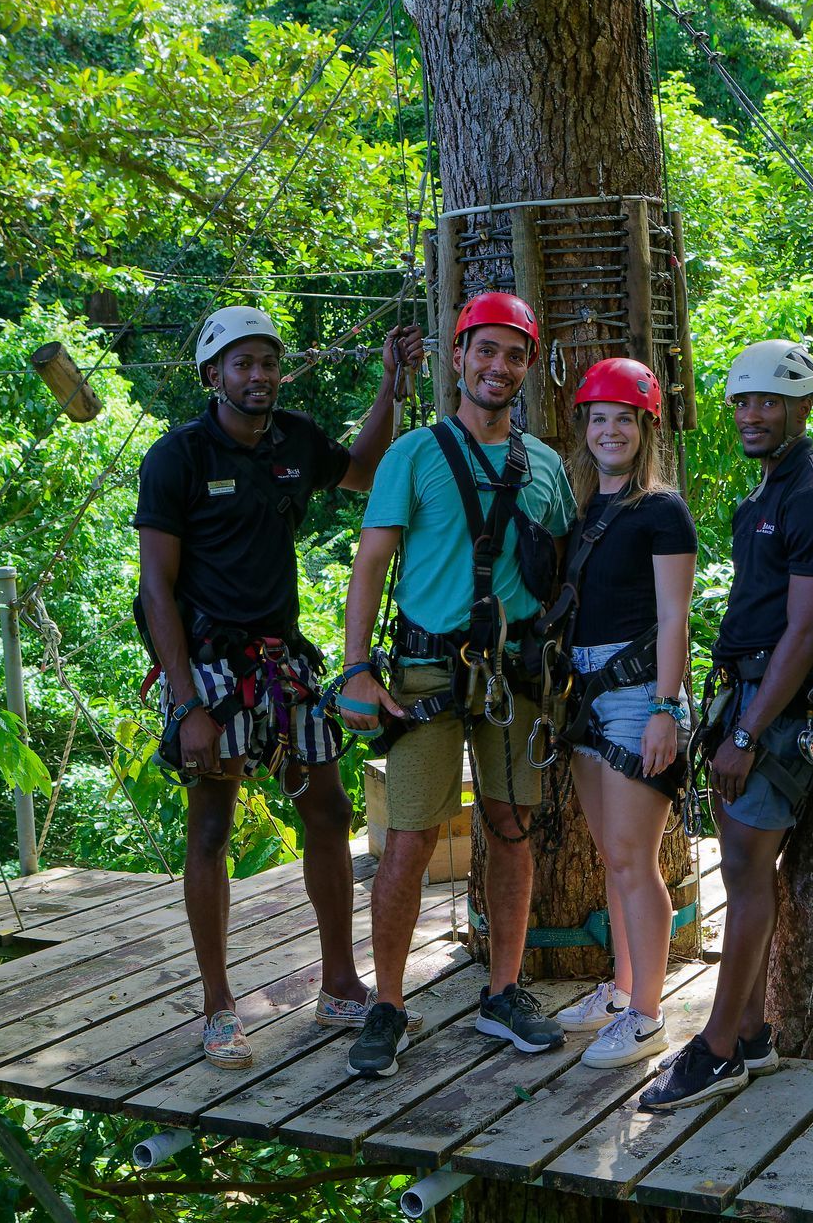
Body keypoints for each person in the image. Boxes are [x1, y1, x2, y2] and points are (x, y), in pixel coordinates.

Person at [134, 305, 424, 1069]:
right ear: (212, 375)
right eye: (242, 364)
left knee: (327, 812)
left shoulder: (293, 440)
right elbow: (156, 590)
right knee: (212, 828)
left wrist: (393, 387)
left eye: (268, 362)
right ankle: (218, 1006)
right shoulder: (178, 458)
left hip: (282, 660)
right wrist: (188, 702)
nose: (259, 376)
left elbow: (361, 470)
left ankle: (339, 983)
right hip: (209, 666)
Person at [334, 291, 577, 1079]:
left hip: (515, 673)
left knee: (510, 829)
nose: (497, 366)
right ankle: (389, 1004)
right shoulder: (413, 454)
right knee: (407, 839)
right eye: (485, 350)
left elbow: (566, 566)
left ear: (528, 367)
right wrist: (357, 667)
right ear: (459, 356)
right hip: (425, 671)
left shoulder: (542, 466)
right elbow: (371, 563)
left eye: (514, 354)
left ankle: (503, 991)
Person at [638, 339, 813, 1111]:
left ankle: (720, 1047)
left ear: (806, 408)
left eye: (771, 400)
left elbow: (807, 630)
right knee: (744, 865)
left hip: (776, 703)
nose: (753, 413)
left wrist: (746, 734)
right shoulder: (765, 496)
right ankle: (755, 1033)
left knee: (746, 872)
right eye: (742, 400)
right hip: (750, 694)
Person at [547, 359, 697, 1069]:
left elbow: (675, 617)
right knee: (613, 856)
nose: (610, 430)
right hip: (586, 693)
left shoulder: (660, 509)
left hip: (639, 693)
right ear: (585, 429)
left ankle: (646, 1016)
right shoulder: (586, 511)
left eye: (624, 419)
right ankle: (620, 989)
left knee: (637, 861)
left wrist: (666, 707)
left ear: (645, 429)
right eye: (599, 418)